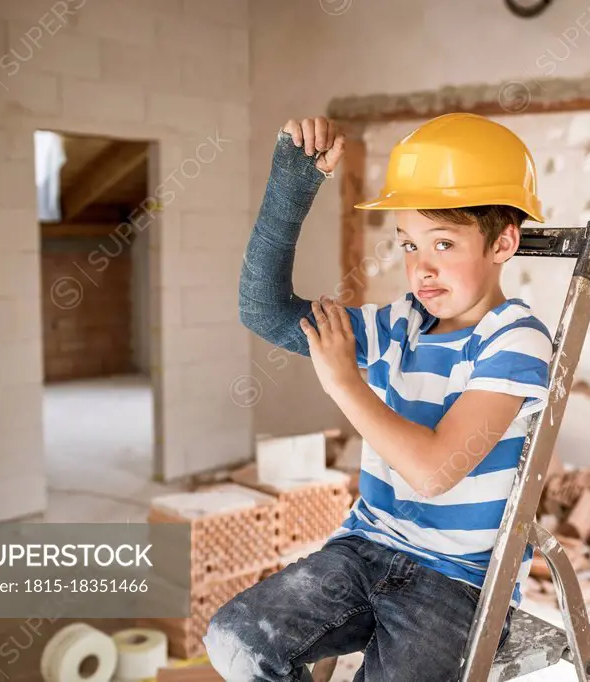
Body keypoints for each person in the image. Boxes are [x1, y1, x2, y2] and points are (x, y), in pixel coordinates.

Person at [205, 112, 554, 681]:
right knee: (236, 640)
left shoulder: (515, 337)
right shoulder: (400, 323)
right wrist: (292, 185)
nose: (422, 268)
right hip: (362, 550)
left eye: (444, 242)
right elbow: (262, 309)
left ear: (503, 242)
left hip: (455, 581)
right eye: (408, 244)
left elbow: (436, 472)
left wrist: (345, 382)